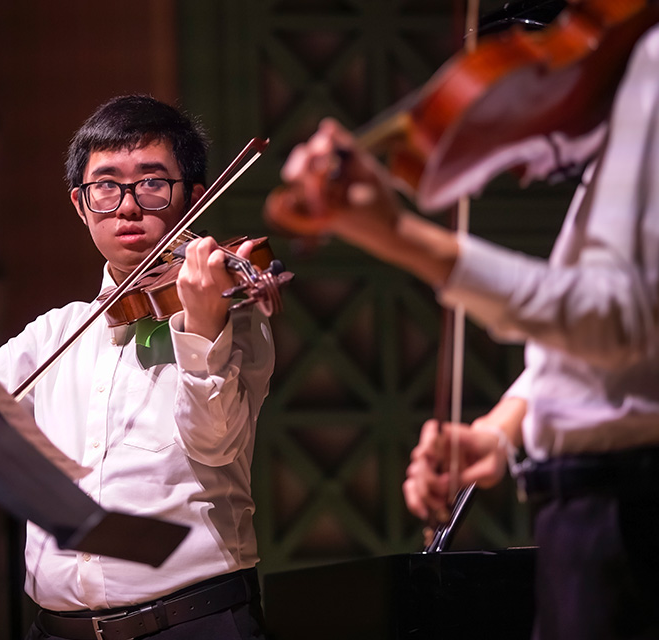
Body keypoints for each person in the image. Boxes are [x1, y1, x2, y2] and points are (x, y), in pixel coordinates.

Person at [271, 14, 659, 640]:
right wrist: (500, 432)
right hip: (601, 504)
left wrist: (406, 239)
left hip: (626, 507)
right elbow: (628, 349)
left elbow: (619, 319)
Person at [0, 95, 274, 640]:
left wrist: (203, 326)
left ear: (193, 195)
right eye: (106, 186)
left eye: (152, 183)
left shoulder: (230, 313)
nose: (128, 205)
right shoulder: (55, 333)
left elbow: (215, 444)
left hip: (194, 624)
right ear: (80, 204)